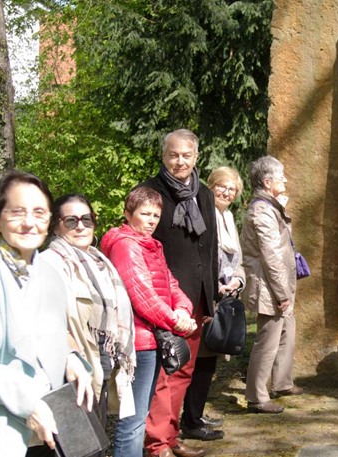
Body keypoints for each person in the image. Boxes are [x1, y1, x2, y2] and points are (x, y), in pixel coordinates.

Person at [0, 172, 92, 456]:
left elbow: (50, 336)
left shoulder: (48, 274)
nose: (28, 222)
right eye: (17, 211)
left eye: (39, 212)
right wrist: (28, 404)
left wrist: (69, 358)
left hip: (49, 429)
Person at [140, 129, 219, 457]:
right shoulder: (150, 192)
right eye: (174, 154)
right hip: (166, 300)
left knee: (184, 369)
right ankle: (157, 445)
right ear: (164, 156)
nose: (180, 161)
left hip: (197, 298)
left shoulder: (204, 193)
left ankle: (170, 439)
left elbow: (210, 246)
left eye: (186, 155)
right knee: (165, 373)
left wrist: (210, 296)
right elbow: (142, 246)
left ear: (196, 157)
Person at [102, 186, 196, 457]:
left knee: (139, 415)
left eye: (156, 214)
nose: (152, 220)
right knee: (133, 421)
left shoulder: (151, 245)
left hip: (152, 337)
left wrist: (184, 309)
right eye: (145, 213)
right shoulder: (126, 246)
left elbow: (170, 283)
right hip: (137, 342)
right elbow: (142, 296)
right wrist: (176, 322)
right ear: (128, 214)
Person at [42, 194, 137, 455]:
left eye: (87, 219)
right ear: (56, 226)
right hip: (70, 369)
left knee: (94, 443)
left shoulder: (100, 261)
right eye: (71, 221)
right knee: (79, 449)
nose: (81, 226)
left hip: (102, 362)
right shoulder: (50, 263)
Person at [179, 167, 246, 441]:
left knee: (209, 362)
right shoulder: (204, 213)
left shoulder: (228, 217)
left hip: (225, 298)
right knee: (199, 362)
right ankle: (190, 422)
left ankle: (195, 415)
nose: (227, 192)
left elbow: (238, 261)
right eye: (222, 186)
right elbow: (199, 256)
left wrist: (238, 282)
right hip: (205, 298)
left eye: (232, 189)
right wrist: (213, 285)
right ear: (211, 186)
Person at [242, 156, 301, 414]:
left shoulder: (270, 206)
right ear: (267, 182)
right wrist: (281, 293)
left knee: (287, 329)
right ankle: (256, 397)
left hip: (278, 284)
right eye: (281, 176)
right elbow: (271, 256)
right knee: (267, 341)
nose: (285, 180)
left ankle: (282, 383)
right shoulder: (262, 211)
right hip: (270, 286)